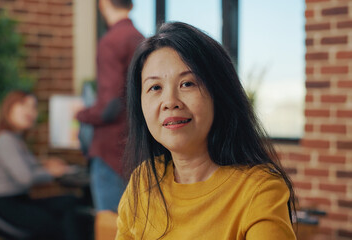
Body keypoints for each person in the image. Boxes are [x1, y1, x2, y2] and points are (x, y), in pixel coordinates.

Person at [116, 22, 297, 239]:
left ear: (218, 94)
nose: (170, 101)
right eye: (155, 88)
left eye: (187, 84)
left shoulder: (259, 190)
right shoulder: (142, 182)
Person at [76, 0, 144, 213]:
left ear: (104, 3)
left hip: (110, 151)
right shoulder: (141, 39)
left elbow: (109, 106)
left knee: (110, 228)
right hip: (136, 149)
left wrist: (81, 113)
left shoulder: (111, 41)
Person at [0, 91, 79, 240]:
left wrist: (44, 164)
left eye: (33, 107)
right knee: (54, 225)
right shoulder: (6, 140)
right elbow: (25, 178)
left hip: (19, 200)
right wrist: (53, 173)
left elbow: (24, 164)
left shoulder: (16, 139)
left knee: (67, 202)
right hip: (6, 205)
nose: (30, 111)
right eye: (23, 104)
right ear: (9, 108)